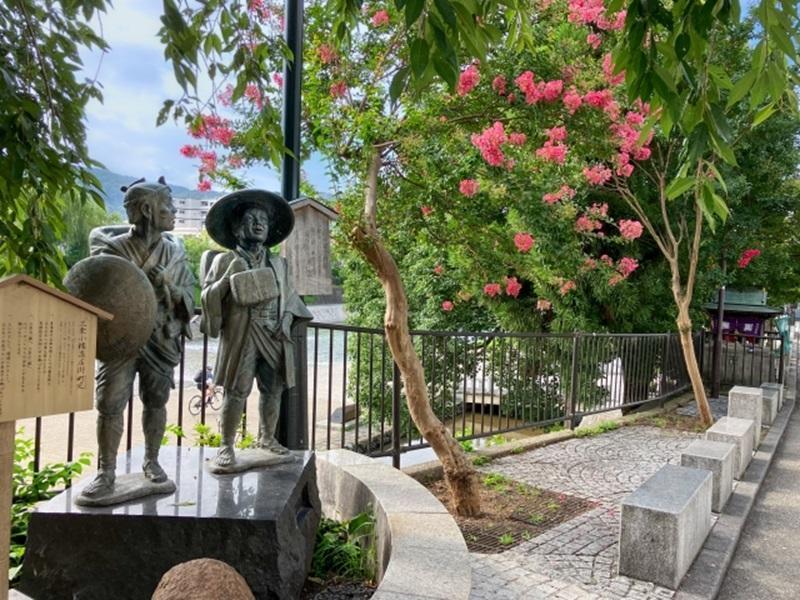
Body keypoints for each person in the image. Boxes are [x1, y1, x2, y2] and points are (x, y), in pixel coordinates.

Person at [80, 178, 195, 499]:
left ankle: (152, 461)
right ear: (147, 209)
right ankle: (106, 471)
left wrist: (170, 286)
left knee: (156, 400)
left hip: (160, 336)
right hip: (121, 338)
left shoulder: (174, 253)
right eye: (168, 206)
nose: (174, 212)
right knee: (109, 402)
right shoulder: (112, 250)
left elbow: (188, 296)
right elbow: (96, 290)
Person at [201, 190, 312, 468]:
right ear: (237, 228)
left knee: (273, 389)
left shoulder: (278, 263)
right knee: (237, 390)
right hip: (243, 333)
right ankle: (226, 445)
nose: (259, 224)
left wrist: (286, 320)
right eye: (251, 219)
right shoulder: (224, 261)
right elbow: (207, 296)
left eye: (263, 219)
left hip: (274, 332)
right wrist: (227, 279)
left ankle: (267, 438)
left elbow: (291, 299)